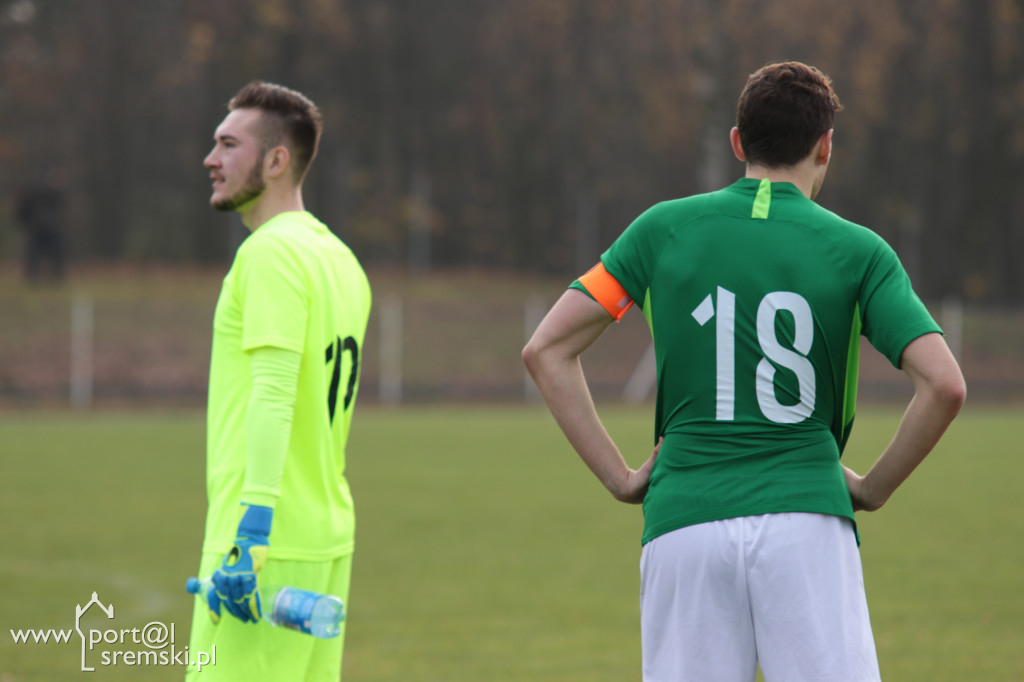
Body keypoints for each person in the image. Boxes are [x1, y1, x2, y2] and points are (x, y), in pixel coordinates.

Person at [522, 61, 965, 682]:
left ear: (737, 143)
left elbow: (546, 349)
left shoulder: (661, 229)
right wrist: (872, 488)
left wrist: (620, 478)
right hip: (808, 522)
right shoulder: (860, 251)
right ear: (825, 146)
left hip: (684, 521)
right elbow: (944, 385)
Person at [186, 81, 371, 681]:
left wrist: (252, 531)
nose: (211, 159)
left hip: (262, 546)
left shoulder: (269, 254)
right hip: (324, 537)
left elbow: (274, 391)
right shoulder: (340, 259)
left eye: (228, 145)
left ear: (276, 160)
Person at [14, 167, 66, 283]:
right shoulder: (49, 192)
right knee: (51, 253)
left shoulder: (34, 191)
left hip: (38, 228)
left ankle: (36, 277)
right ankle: (54, 276)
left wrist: (24, 223)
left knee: (36, 254)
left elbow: (21, 210)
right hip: (43, 228)